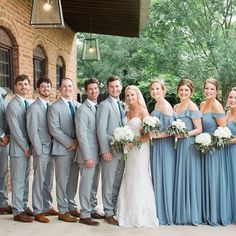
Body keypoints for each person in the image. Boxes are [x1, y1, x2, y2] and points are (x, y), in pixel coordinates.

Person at [116, 85, 158, 227]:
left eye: (132, 95)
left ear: (137, 95)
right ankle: (127, 213)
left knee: (140, 176)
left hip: (140, 149)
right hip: (128, 149)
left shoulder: (142, 111)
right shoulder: (127, 111)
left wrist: (133, 143)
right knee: (129, 176)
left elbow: (148, 135)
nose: (130, 98)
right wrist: (124, 141)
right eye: (127, 96)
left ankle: (142, 216)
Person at [47, 77, 80, 222]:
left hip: (77, 148)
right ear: (60, 89)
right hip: (62, 149)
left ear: (74, 88)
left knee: (73, 179)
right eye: (65, 86)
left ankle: (71, 205)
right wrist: (69, 142)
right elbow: (54, 129)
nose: (68, 89)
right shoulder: (54, 107)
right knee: (62, 180)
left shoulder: (78, 105)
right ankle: (62, 210)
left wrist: (78, 142)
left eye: (70, 86)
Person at [26, 76, 58, 223]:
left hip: (52, 149)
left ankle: (47, 206)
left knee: (48, 181)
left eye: (48, 86)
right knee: (39, 180)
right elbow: (32, 131)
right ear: (38, 89)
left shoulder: (51, 106)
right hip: (41, 150)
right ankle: (38, 210)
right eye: (43, 86)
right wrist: (38, 150)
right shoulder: (34, 107)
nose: (46, 89)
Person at [200, 78, 230, 226]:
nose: (208, 91)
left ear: (216, 91)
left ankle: (215, 215)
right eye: (206, 88)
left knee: (213, 180)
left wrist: (210, 140)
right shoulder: (202, 104)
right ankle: (205, 214)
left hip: (214, 150)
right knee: (205, 180)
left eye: (211, 89)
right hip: (203, 147)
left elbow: (223, 131)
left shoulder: (217, 106)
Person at [173, 79, 202, 225]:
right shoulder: (176, 106)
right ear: (178, 90)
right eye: (181, 90)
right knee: (181, 175)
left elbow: (199, 129)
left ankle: (190, 214)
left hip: (189, 145)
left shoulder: (192, 107)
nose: (183, 92)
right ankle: (180, 211)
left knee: (188, 176)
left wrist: (184, 134)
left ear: (191, 92)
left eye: (186, 90)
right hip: (178, 146)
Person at [75, 78, 104, 226]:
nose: (94, 91)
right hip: (88, 155)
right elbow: (81, 134)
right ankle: (85, 214)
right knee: (86, 184)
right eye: (90, 89)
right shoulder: (82, 109)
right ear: (86, 91)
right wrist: (87, 156)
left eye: (96, 88)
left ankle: (92, 208)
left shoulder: (97, 107)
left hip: (97, 153)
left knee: (93, 184)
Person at [96, 75, 125, 225]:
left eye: (117, 86)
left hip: (121, 151)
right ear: (108, 88)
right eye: (112, 87)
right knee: (108, 182)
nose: (115, 89)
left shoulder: (122, 105)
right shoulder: (104, 105)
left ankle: (113, 208)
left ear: (121, 86)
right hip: (110, 151)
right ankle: (108, 211)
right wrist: (105, 150)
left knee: (117, 182)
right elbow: (101, 130)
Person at [6, 74, 34, 222]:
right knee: (17, 180)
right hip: (19, 150)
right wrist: (24, 146)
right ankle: (17, 211)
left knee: (25, 179)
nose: (23, 87)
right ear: (16, 86)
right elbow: (15, 129)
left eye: (26, 84)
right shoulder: (12, 105)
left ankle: (23, 205)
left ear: (29, 86)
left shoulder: (29, 103)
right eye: (20, 84)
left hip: (27, 149)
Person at [149, 80, 175, 225]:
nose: (155, 91)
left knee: (165, 177)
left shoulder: (166, 106)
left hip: (165, 147)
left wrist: (155, 135)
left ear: (163, 90)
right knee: (157, 176)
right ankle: (158, 211)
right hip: (156, 146)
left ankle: (166, 213)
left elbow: (172, 130)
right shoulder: (156, 105)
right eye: (152, 89)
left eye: (157, 89)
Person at [0, 90, 12, 215]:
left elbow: (6, 115)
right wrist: (2, 135)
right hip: (1, 137)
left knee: (3, 172)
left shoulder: (2, 91)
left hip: (4, 141)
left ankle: (2, 203)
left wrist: (7, 135)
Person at [225, 87, 236, 223]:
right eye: (231, 97)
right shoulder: (227, 113)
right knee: (229, 181)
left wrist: (225, 140)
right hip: (226, 151)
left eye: (235, 98)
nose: (232, 100)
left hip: (234, 150)